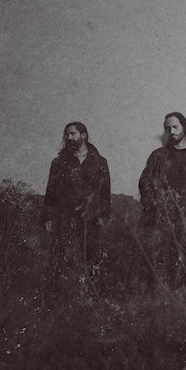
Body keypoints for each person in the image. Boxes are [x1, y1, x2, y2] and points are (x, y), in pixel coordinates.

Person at [139, 112, 186, 287]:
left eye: (175, 127)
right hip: (161, 215)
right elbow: (144, 182)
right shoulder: (157, 156)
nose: (171, 132)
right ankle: (159, 295)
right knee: (159, 260)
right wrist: (154, 205)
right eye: (167, 128)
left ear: (184, 127)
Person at [42, 122, 111, 287]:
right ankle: (63, 292)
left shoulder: (100, 162)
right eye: (66, 135)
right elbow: (51, 192)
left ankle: (92, 292)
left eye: (72, 134)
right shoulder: (59, 163)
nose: (68, 137)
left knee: (92, 257)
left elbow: (105, 193)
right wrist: (48, 217)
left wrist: (104, 216)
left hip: (91, 220)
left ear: (84, 135)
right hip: (66, 219)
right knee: (65, 257)